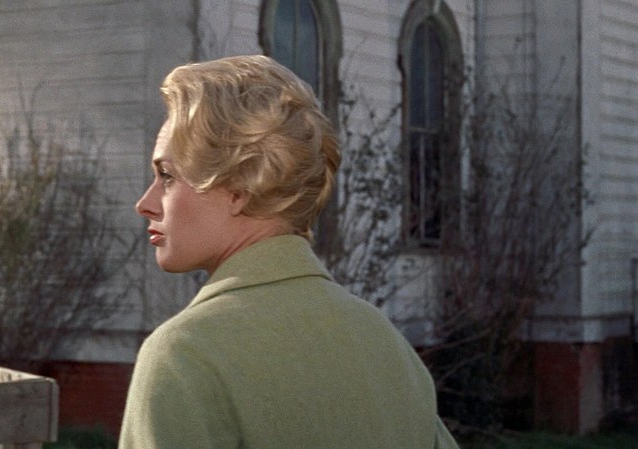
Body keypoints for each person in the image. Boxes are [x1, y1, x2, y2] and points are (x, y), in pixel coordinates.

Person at [120, 55, 459, 449]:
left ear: (240, 187)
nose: (145, 204)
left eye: (166, 176)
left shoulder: (184, 356)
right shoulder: (386, 343)